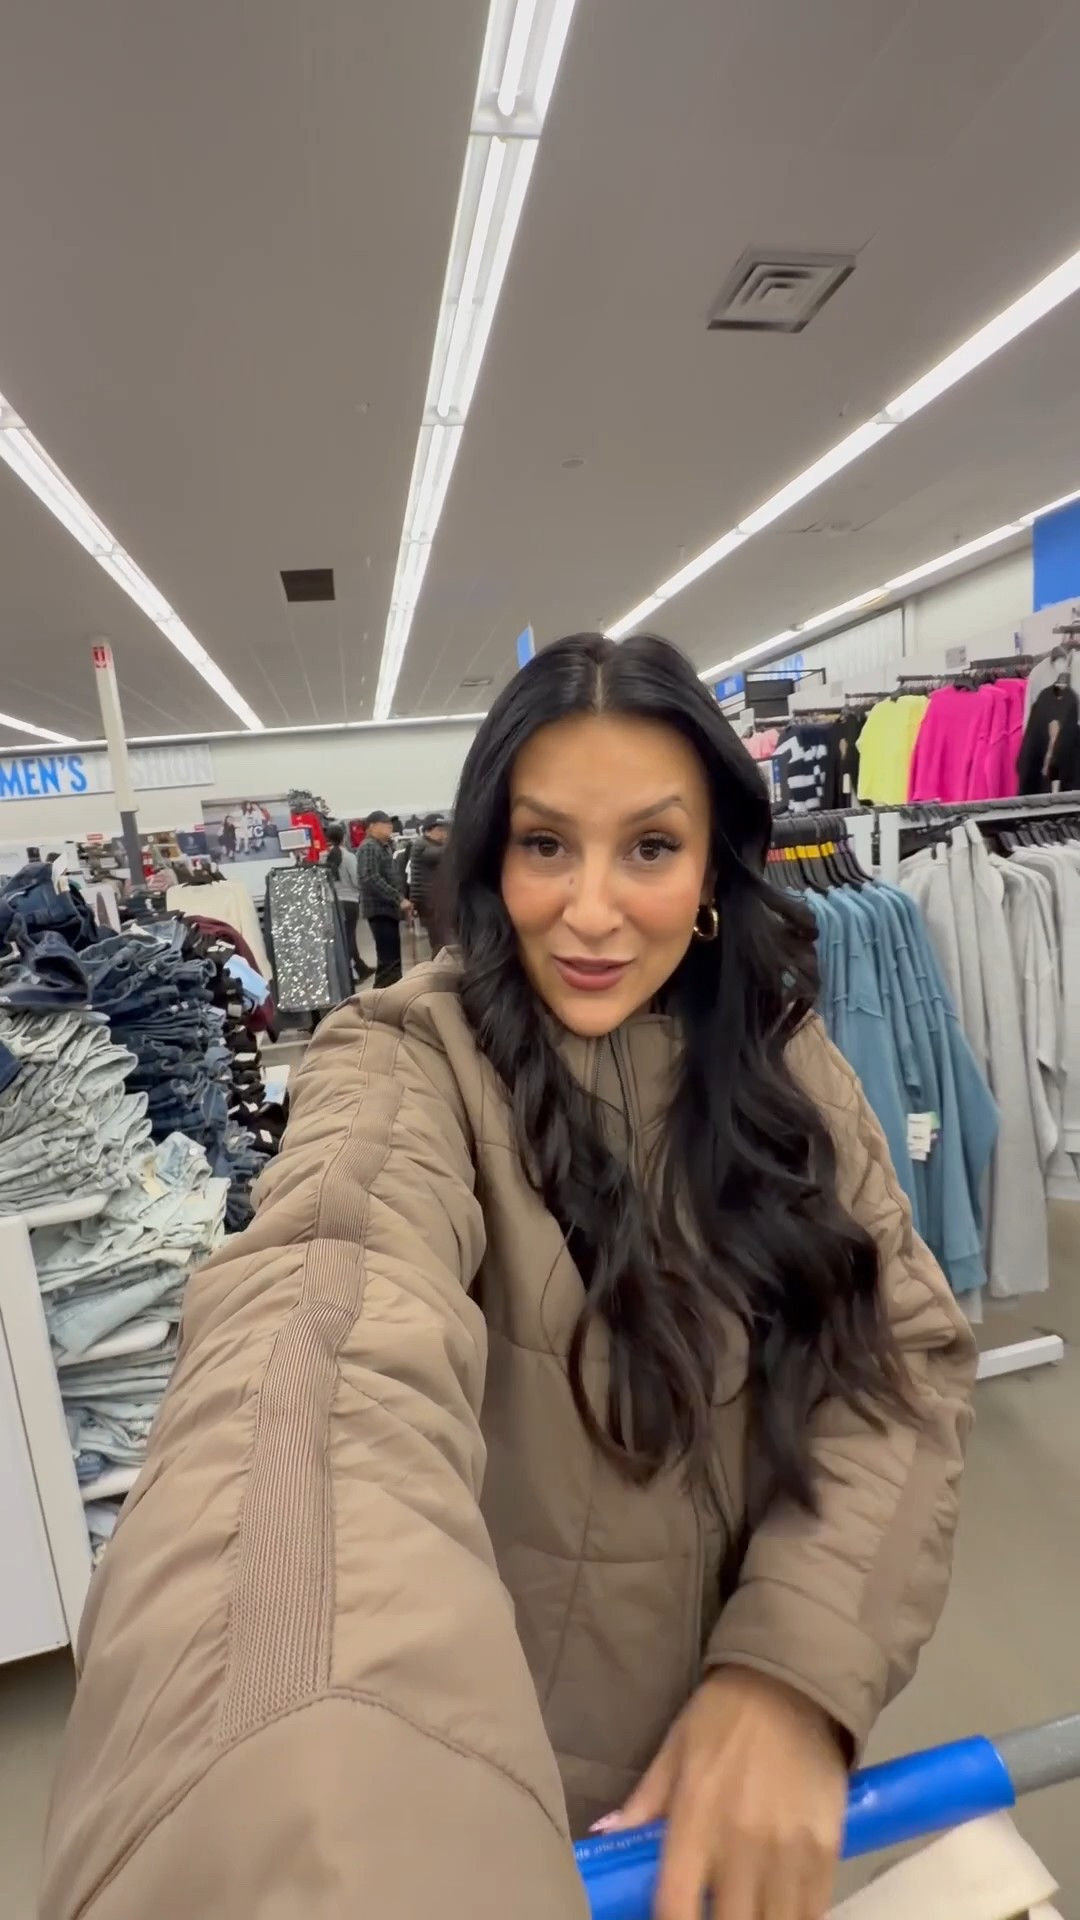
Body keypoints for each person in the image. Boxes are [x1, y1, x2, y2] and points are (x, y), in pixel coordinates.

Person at [40, 634, 975, 1920]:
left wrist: (794, 1665)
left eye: (649, 847)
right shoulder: (405, 1063)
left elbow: (895, 1364)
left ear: (712, 867)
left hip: (736, 1836)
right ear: (490, 859)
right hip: (512, 1829)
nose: (590, 910)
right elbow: (317, 1342)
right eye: (546, 845)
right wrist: (297, 1794)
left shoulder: (784, 1061)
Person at [356, 808, 411, 986]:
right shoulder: (369, 847)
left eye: (390, 823)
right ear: (371, 826)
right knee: (388, 961)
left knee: (392, 960)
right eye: (385, 823)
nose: (390, 827)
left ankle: (391, 994)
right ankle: (383, 996)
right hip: (379, 910)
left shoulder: (383, 847)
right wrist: (398, 898)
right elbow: (369, 878)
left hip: (388, 910)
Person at [323, 822, 373, 988]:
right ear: (344, 837)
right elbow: (357, 881)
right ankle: (352, 974)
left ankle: (358, 969)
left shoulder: (323, 857)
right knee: (349, 938)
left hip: (331, 902)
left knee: (341, 939)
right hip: (349, 902)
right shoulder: (349, 857)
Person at [409, 811, 450, 951]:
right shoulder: (421, 845)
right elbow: (434, 855)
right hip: (429, 903)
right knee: (440, 942)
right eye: (439, 830)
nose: (444, 833)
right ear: (427, 831)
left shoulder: (432, 844)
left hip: (433, 901)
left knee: (442, 940)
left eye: (445, 830)